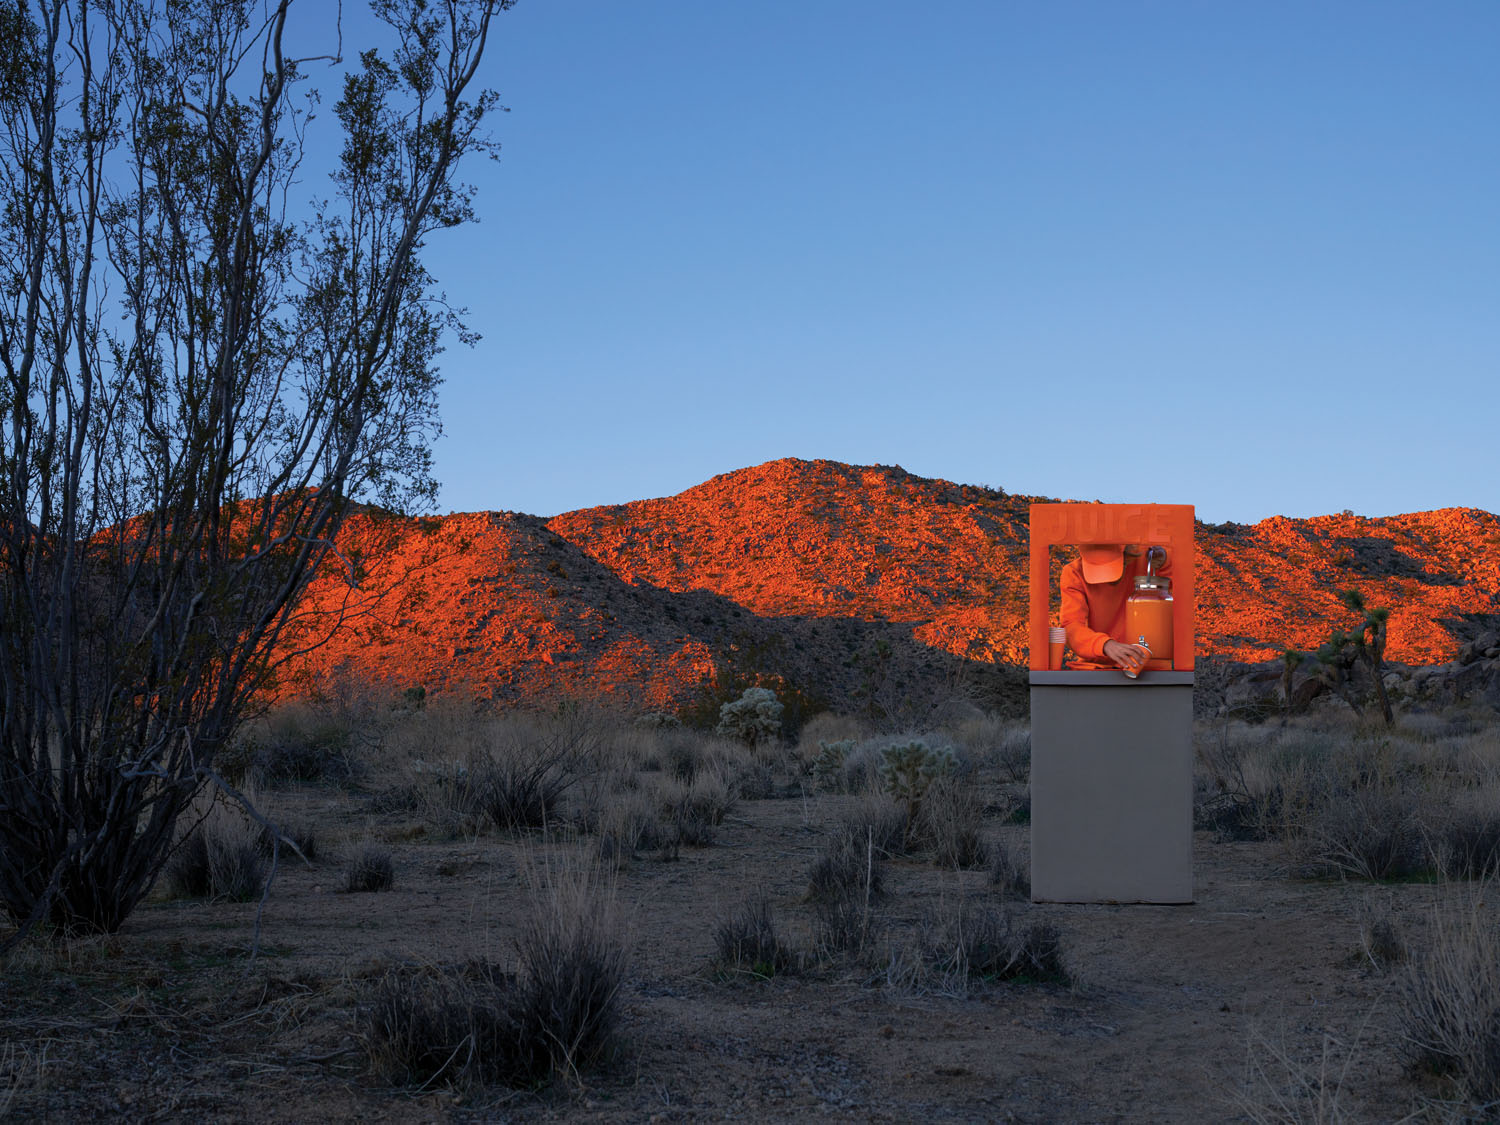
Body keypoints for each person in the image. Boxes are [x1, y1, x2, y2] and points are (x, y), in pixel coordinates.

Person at [1060, 543, 1170, 674]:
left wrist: (1166, 565)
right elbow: (1071, 626)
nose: (1104, 576)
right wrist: (1105, 645)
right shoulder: (1074, 573)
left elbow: (1179, 596)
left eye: (1113, 565)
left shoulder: (1150, 560)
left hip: (1147, 666)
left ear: (1128, 554)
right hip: (1097, 668)